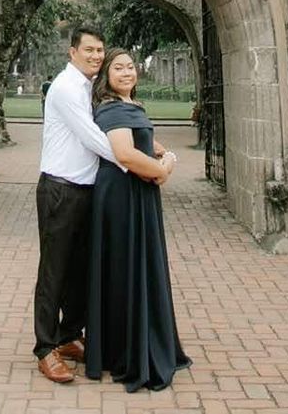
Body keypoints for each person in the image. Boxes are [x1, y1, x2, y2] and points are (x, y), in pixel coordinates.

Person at [84, 49, 190, 391]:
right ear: (106, 76)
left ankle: (134, 341)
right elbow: (125, 154)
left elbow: (141, 136)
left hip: (136, 194)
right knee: (125, 266)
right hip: (122, 195)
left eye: (130, 66)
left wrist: (161, 150)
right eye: (118, 68)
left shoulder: (130, 105)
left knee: (136, 265)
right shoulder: (112, 108)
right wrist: (164, 168)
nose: (127, 72)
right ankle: (126, 352)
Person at [32, 24, 127, 384]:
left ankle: (69, 335)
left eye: (100, 50)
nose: (96, 56)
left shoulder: (90, 86)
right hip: (60, 189)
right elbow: (92, 138)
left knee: (80, 271)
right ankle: (45, 348)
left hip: (87, 190)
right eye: (89, 49)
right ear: (72, 52)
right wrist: (132, 161)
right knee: (54, 272)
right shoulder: (66, 88)